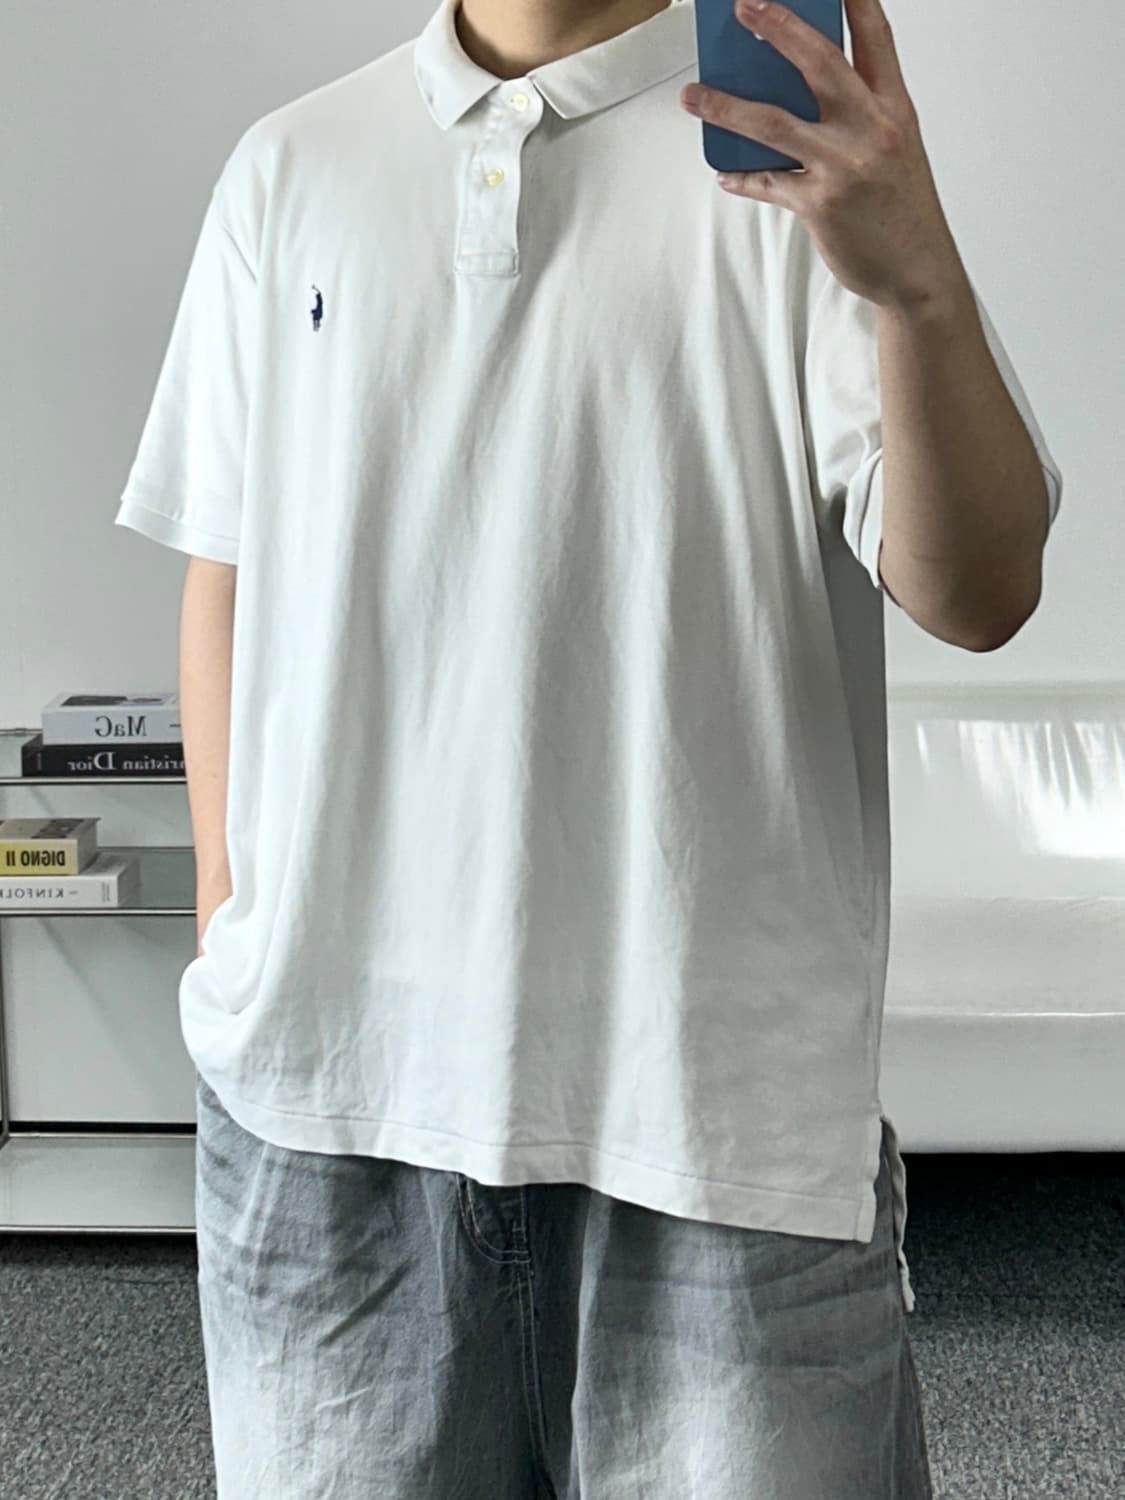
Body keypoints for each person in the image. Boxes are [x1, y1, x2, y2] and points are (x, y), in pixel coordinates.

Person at [115, 1, 1062, 1495]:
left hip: (716, 1120)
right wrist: (227, 936)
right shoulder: (291, 167)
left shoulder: (799, 163)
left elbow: (980, 592)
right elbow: (224, 568)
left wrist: (919, 288)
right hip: (322, 1102)